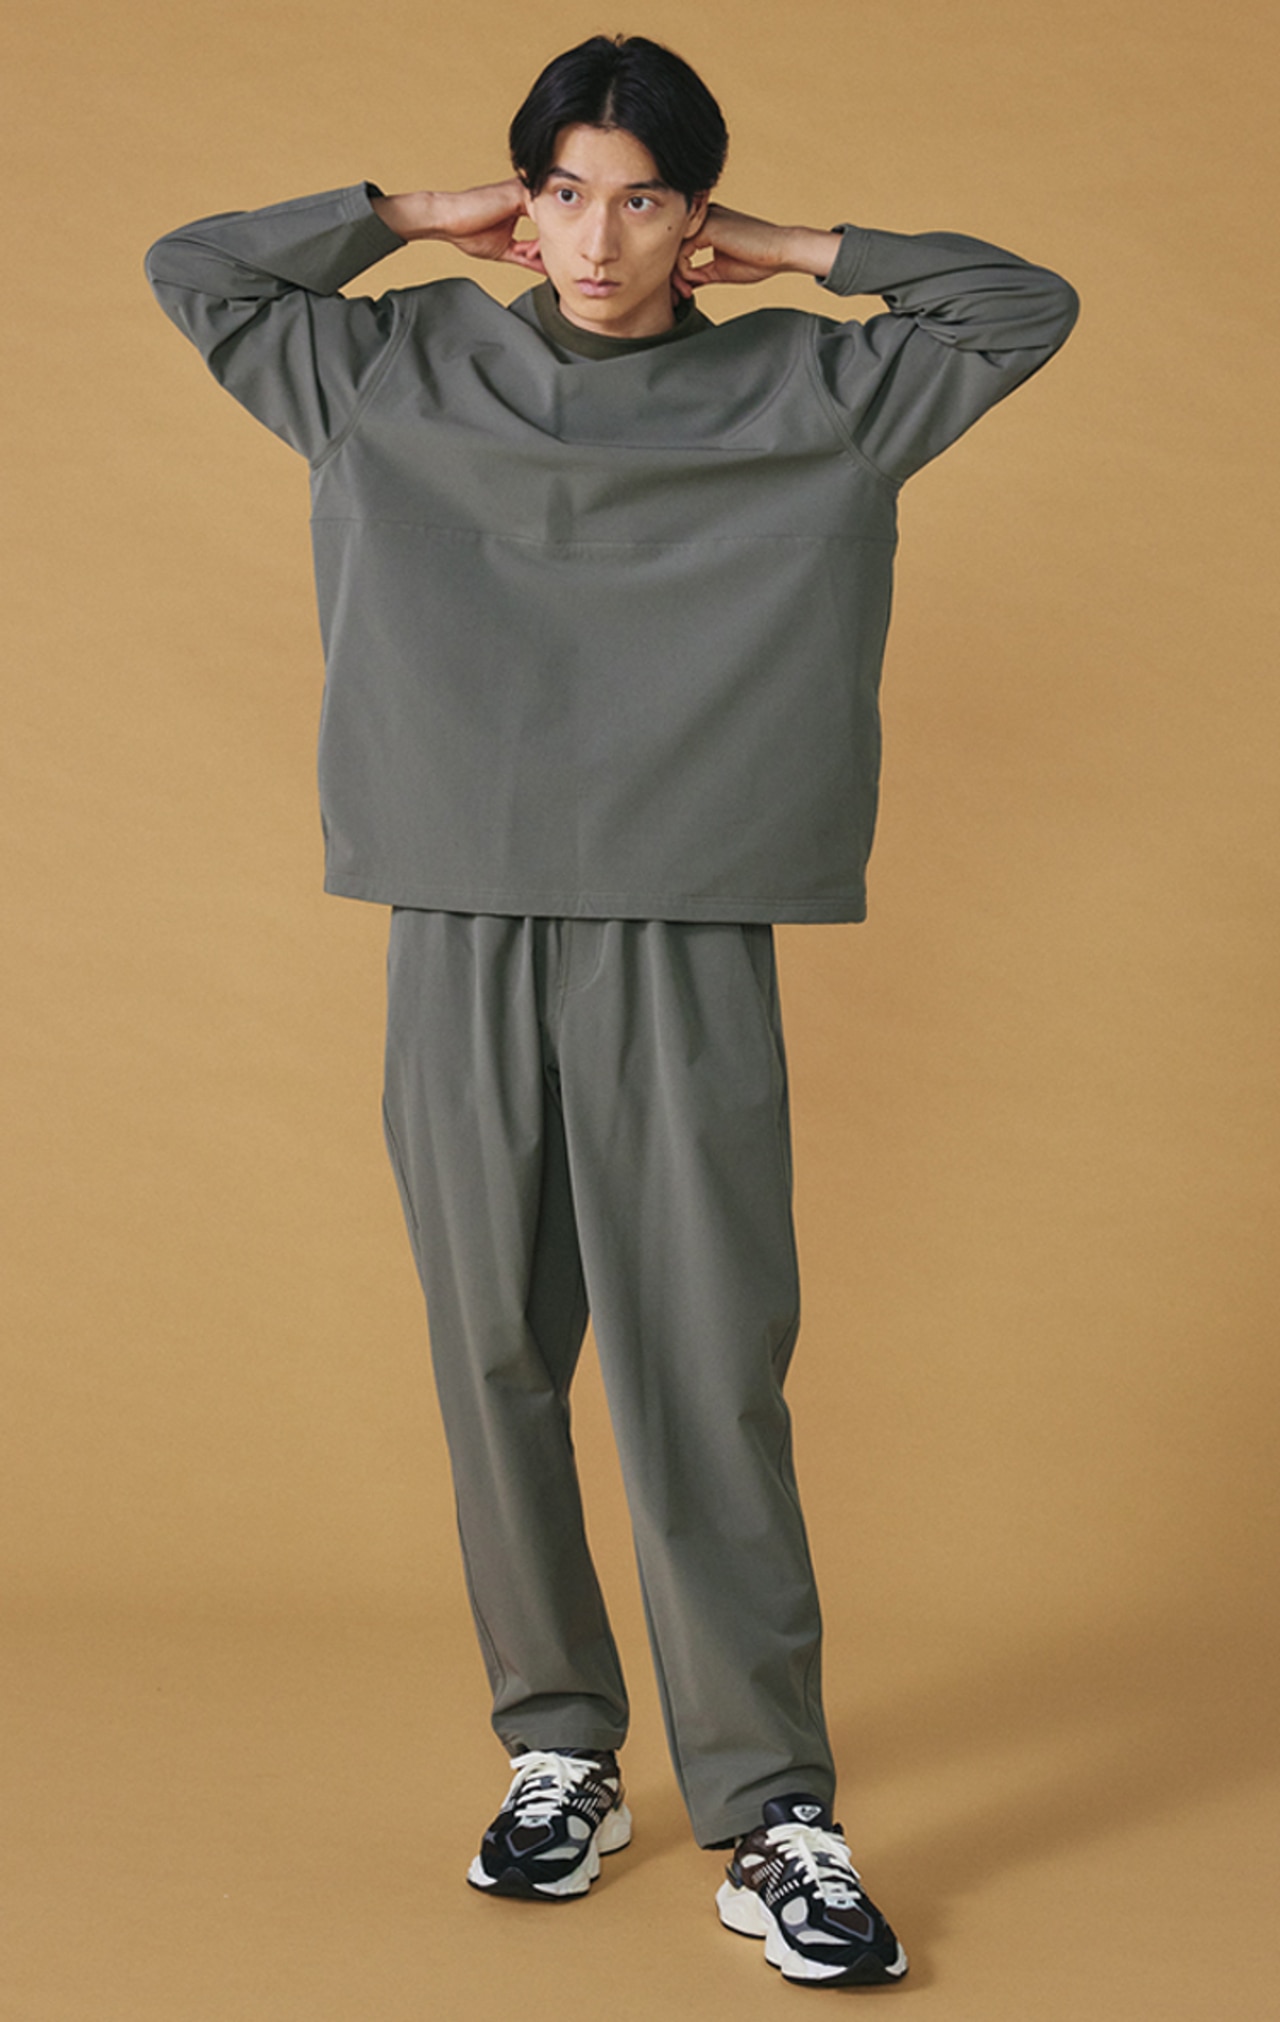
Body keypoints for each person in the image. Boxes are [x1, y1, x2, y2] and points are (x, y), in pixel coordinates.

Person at [146, 32, 1077, 1989]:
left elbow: (1020, 304)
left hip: (686, 916)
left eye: (642, 198)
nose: (595, 237)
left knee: (703, 1362)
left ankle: (772, 1806)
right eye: (562, 192)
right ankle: (557, 1747)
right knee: (496, 1346)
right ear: (522, 200)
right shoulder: (388, 369)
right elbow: (198, 271)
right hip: (458, 907)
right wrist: (410, 216)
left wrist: (797, 250)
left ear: (692, 214)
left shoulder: (814, 388)